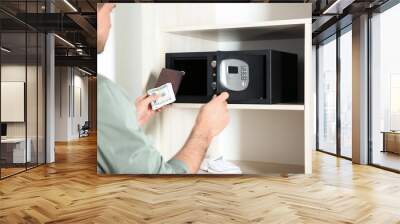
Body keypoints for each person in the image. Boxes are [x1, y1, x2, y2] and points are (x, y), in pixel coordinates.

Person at [97, 3, 230, 174]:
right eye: (110, 11)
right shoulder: (103, 91)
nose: (110, 24)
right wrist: (205, 129)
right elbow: (162, 183)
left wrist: (126, 121)